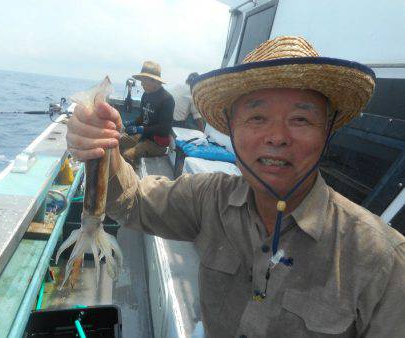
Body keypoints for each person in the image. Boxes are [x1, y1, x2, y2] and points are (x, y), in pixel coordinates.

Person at [66, 36, 405, 337]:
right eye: (257, 117)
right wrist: (102, 147)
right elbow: (133, 202)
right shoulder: (208, 197)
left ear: (327, 132)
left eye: (300, 119)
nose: (277, 137)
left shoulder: (384, 261)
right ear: (231, 128)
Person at [120, 60, 174, 165]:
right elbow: (142, 117)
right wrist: (132, 123)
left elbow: (164, 128)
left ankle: (131, 179)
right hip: (143, 136)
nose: (141, 83)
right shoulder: (146, 95)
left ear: (154, 81)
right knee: (117, 141)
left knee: (127, 155)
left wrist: (140, 129)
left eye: (144, 80)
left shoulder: (167, 99)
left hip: (156, 143)